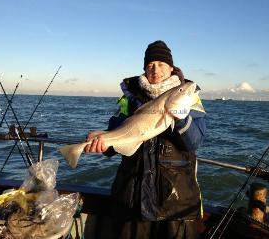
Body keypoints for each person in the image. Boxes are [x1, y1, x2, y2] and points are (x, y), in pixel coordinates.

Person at [84, 40, 206, 239]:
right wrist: (102, 144)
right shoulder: (130, 97)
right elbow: (115, 136)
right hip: (133, 199)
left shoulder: (188, 96)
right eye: (150, 65)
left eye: (161, 64)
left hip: (176, 202)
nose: (155, 69)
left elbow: (195, 142)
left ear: (171, 68)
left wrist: (182, 118)